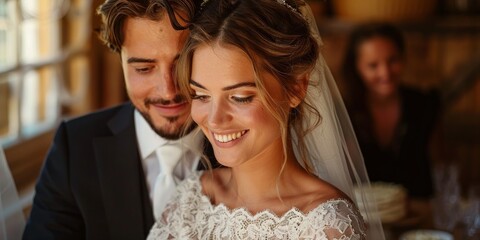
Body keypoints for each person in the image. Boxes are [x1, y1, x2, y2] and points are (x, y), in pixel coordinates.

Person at [147, 0, 385, 239]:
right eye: (201, 95)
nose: (215, 119)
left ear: (295, 89)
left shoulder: (327, 225)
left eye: (240, 97)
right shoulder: (191, 198)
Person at [23, 0, 215, 239]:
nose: (168, 90)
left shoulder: (251, 147)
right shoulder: (73, 147)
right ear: (120, 60)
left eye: (184, 63)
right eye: (144, 69)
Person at [341, 23, 441, 199]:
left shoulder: (424, 104)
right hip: (366, 217)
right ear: (357, 67)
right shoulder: (344, 111)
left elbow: (441, 165)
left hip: (419, 212)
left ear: (403, 59)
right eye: (373, 65)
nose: (385, 72)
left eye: (392, 60)